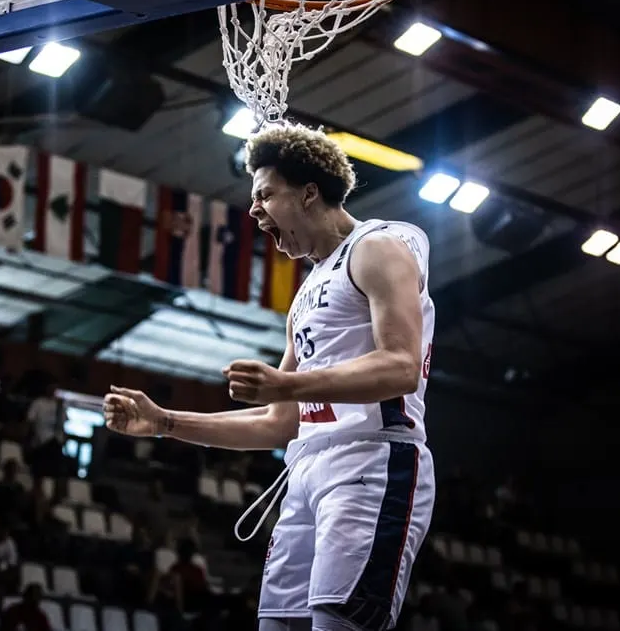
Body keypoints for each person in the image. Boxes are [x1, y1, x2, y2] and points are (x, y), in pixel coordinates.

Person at [103, 124, 436, 631]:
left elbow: (401, 366)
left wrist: (290, 385)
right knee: (277, 624)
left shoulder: (379, 247)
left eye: (265, 194)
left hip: (371, 458)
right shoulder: (305, 294)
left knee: (337, 621)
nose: (254, 209)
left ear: (308, 193)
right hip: (306, 469)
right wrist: (165, 422)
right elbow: (279, 424)